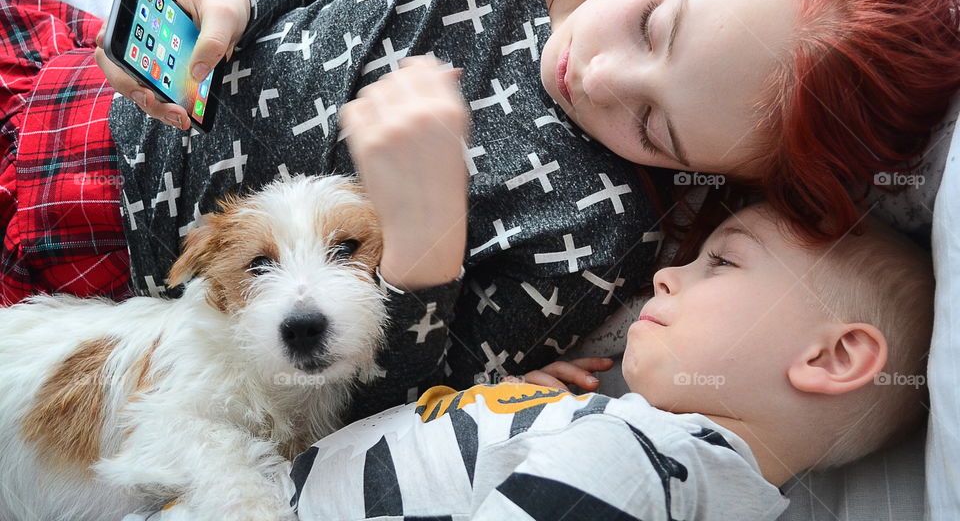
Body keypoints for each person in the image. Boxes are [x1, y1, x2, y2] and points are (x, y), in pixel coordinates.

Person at [0, 0, 957, 423]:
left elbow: (376, 395)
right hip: (62, 75)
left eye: (657, 129)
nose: (604, 78)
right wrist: (230, 3)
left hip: (90, 242)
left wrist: (426, 244)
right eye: (656, 26)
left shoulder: (594, 236)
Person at [127, 202, 935, 520]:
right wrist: (516, 408)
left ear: (833, 357)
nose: (665, 273)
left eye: (722, 263)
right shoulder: (635, 443)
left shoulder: (641, 462)